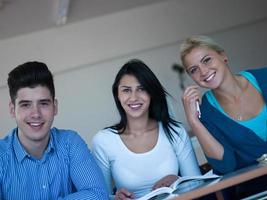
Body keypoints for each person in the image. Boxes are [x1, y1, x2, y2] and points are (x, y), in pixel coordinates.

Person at [92, 59, 201, 200]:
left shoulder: (175, 131)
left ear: (152, 93)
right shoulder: (103, 140)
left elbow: (198, 185)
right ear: (117, 96)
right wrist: (115, 198)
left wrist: (177, 180)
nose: (134, 97)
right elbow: (99, 197)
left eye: (141, 89)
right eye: (126, 90)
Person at [0, 61, 109, 200]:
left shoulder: (70, 143)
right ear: (12, 110)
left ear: (55, 107)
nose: (36, 114)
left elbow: (98, 194)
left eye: (43, 103)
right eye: (26, 105)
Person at [180, 35, 267, 198]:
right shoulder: (206, 112)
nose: (203, 72)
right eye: (194, 70)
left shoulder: (264, 78)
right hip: (257, 191)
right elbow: (226, 166)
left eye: (207, 60)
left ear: (223, 56)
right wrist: (193, 121)